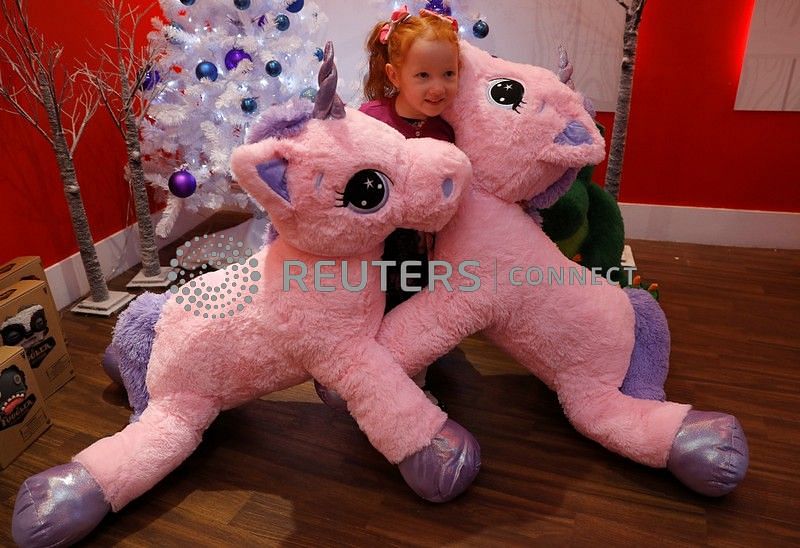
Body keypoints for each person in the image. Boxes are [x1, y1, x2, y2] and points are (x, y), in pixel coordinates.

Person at [360, 5, 460, 405]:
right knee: (379, 302)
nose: (437, 87)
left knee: (416, 305)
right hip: (379, 239)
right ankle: (376, 373)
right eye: (423, 76)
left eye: (448, 74)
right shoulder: (371, 118)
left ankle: (412, 380)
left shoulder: (450, 127)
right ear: (394, 75)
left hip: (427, 241)